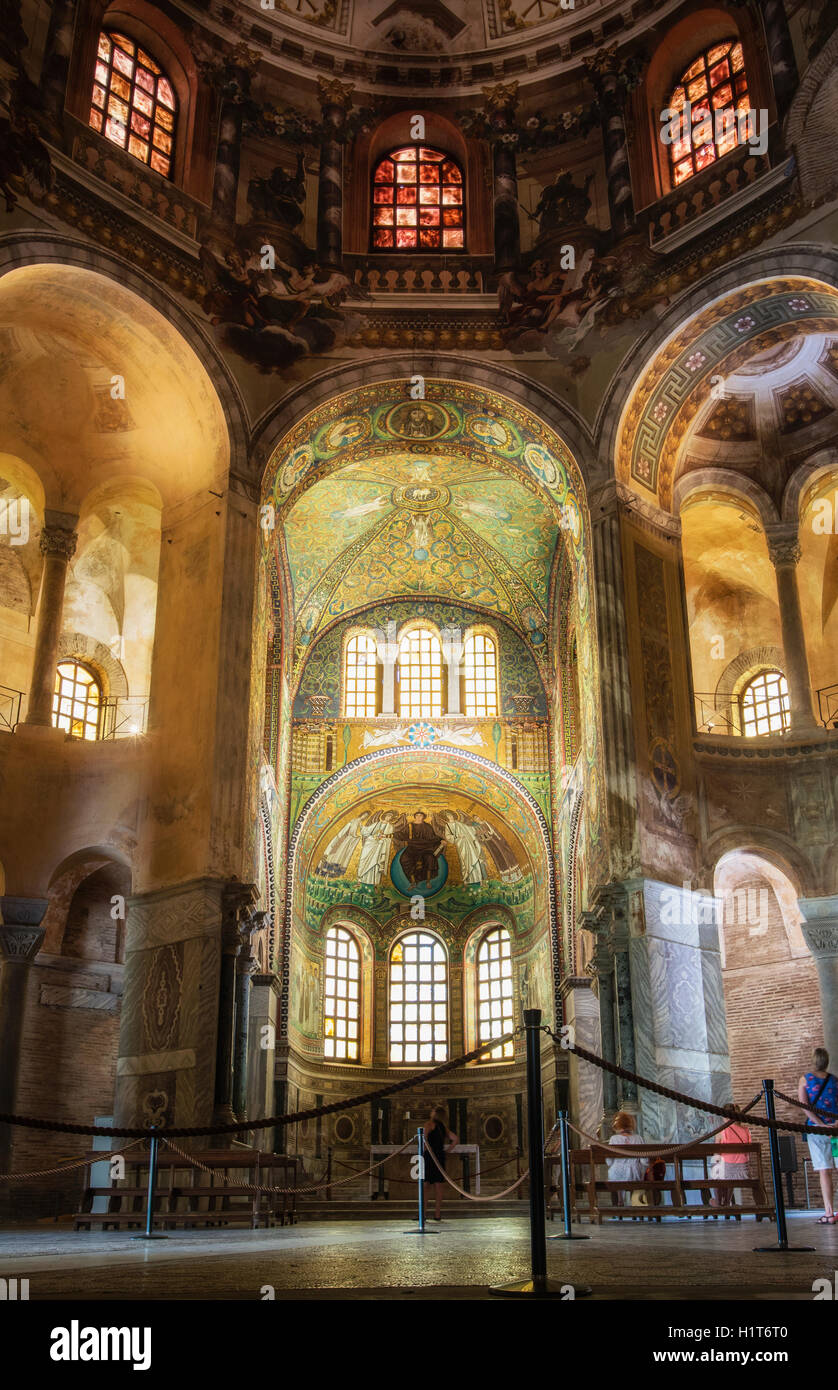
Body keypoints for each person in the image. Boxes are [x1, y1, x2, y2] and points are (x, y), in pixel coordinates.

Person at [798, 1046, 838, 1223]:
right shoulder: (835, 1080)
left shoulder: (806, 1080)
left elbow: (804, 1106)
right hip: (836, 1129)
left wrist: (821, 1124)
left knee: (824, 1171)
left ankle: (829, 1213)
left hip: (817, 1130)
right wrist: (835, 1123)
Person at [421, 1104, 458, 1221]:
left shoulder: (428, 1124)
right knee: (438, 1186)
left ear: (435, 1113)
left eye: (432, 1111)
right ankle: (437, 1214)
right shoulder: (443, 1127)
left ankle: (423, 1214)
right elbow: (455, 1139)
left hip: (430, 1157)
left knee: (426, 1185)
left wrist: (427, 1150)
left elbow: (424, 1139)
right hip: (440, 1157)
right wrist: (447, 1151)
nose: (430, 1112)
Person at [710, 1111, 753, 1208]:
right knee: (729, 1168)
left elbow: (717, 1153)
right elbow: (748, 1153)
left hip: (728, 1171)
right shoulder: (746, 1130)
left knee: (716, 1168)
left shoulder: (721, 1131)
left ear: (725, 1118)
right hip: (744, 1171)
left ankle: (718, 1201)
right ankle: (727, 1201)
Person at [605, 1111, 646, 1206]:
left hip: (617, 1173)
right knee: (636, 1175)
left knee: (614, 1176)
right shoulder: (638, 1138)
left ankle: (619, 1201)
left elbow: (609, 1161)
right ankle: (636, 1203)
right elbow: (644, 1161)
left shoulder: (614, 1139)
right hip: (634, 1173)